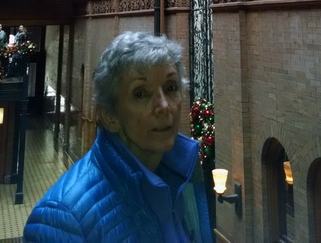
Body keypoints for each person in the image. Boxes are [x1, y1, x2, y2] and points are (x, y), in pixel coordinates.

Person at [24, 31, 213, 242]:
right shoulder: (60, 218)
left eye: (171, 88)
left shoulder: (186, 171)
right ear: (110, 115)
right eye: (140, 93)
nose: (164, 106)